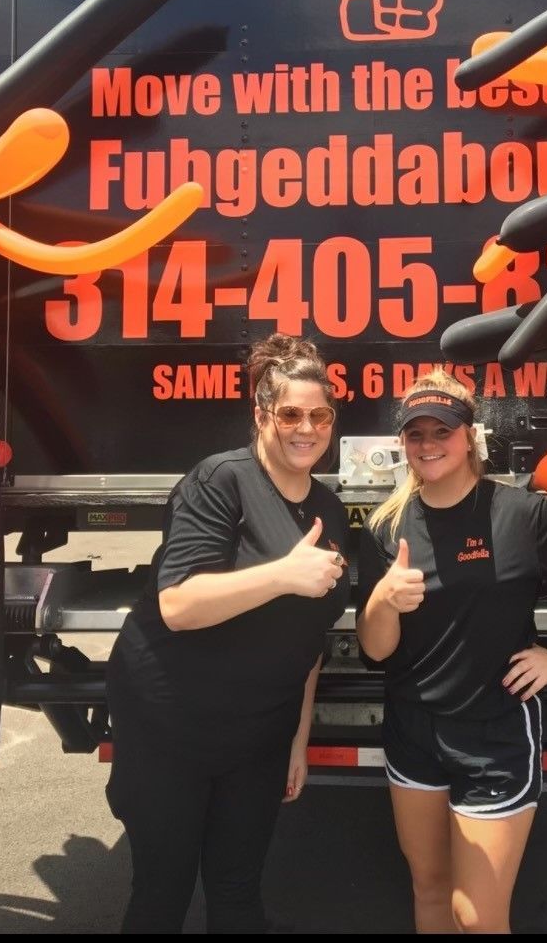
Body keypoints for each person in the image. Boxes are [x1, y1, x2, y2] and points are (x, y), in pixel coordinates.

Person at [356, 369, 547, 935]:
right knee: (430, 890)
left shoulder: (521, 514)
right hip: (412, 730)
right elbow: (376, 650)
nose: (429, 444)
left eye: (443, 431)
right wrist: (383, 599)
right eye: (416, 434)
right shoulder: (387, 526)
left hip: (495, 733)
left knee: (477, 917)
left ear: (470, 436)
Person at [106, 334, 350, 934]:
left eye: (319, 416)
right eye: (290, 414)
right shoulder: (220, 481)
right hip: (172, 725)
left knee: (238, 891)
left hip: (259, 735)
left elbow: (309, 641)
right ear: (262, 415)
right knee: (162, 892)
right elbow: (178, 605)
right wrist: (284, 575)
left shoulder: (328, 508)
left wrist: (297, 739)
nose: (306, 429)